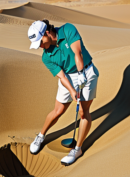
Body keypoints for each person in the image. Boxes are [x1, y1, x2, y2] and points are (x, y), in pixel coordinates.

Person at [27, 19, 99, 166]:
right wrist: (72, 91)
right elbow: (61, 76)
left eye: (40, 42)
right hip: (68, 78)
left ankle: (77, 149)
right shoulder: (46, 56)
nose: (40, 46)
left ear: (47, 32)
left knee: (83, 113)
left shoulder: (67, 30)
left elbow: (77, 53)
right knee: (58, 111)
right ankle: (40, 136)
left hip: (86, 70)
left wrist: (81, 74)